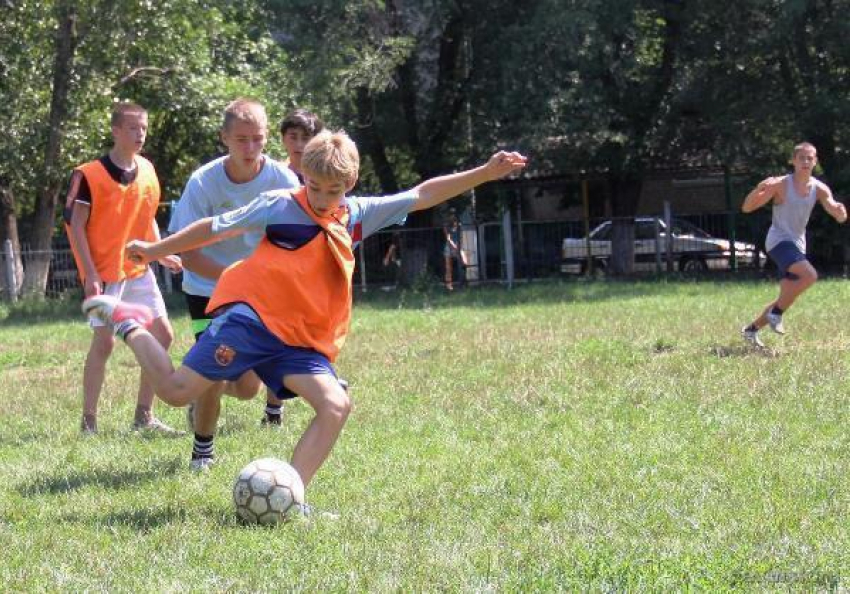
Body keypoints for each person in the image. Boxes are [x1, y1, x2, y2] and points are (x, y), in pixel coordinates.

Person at [82, 130, 526, 507]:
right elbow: (215, 227)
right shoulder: (278, 203)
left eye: (333, 190)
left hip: (299, 341)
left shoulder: (355, 215)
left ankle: (289, 498)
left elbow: (423, 194)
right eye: (314, 187)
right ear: (303, 176)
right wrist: (158, 250)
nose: (322, 197)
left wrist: (485, 172)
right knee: (176, 393)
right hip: (251, 321)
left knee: (335, 405)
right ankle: (129, 320)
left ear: (350, 182)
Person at [168, 99, 310, 469]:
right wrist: (235, 279)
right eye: (242, 140)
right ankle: (203, 450)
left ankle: (200, 395)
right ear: (224, 138)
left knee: (247, 389)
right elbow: (188, 253)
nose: (250, 149)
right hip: (206, 290)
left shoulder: (283, 180)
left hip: (258, 294)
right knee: (214, 370)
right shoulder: (203, 182)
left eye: (258, 140)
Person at [64, 101, 182, 435]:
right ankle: (88, 422)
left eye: (143, 128)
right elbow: (75, 226)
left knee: (163, 335)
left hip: (138, 271)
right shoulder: (87, 175)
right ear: (115, 131)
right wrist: (89, 274)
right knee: (105, 344)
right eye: (132, 128)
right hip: (104, 275)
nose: (139, 134)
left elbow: (147, 221)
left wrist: (161, 253)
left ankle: (143, 416)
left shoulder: (147, 170)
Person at [741, 141, 846, 347]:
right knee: (810, 275)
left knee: (787, 295)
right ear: (793, 161)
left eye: (810, 158)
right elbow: (747, 208)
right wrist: (758, 188)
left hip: (797, 245)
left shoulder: (819, 188)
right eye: (802, 158)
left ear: (815, 161)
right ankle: (777, 314)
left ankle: (751, 330)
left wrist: (840, 213)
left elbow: (835, 211)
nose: (806, 161)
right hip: (778, 241)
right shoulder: (780, 184)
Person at [280, 108, 325, 183]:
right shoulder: (276, 174)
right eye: (293, 137)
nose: (299, 144)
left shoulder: (325, 175)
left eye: (305, 138)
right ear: (283, 139)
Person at [443, 209, 466, 290]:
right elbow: (448, 238)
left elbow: (461, 236)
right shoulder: (446, 226)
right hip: (449, 247)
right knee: (448, 267)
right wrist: (454, 246)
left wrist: (459, 246)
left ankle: (463, 282)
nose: (452, 216)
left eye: (453, 214)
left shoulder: (459, 225)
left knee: (464, 262)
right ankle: (449, 285)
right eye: (451, 214)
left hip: (458, 246)